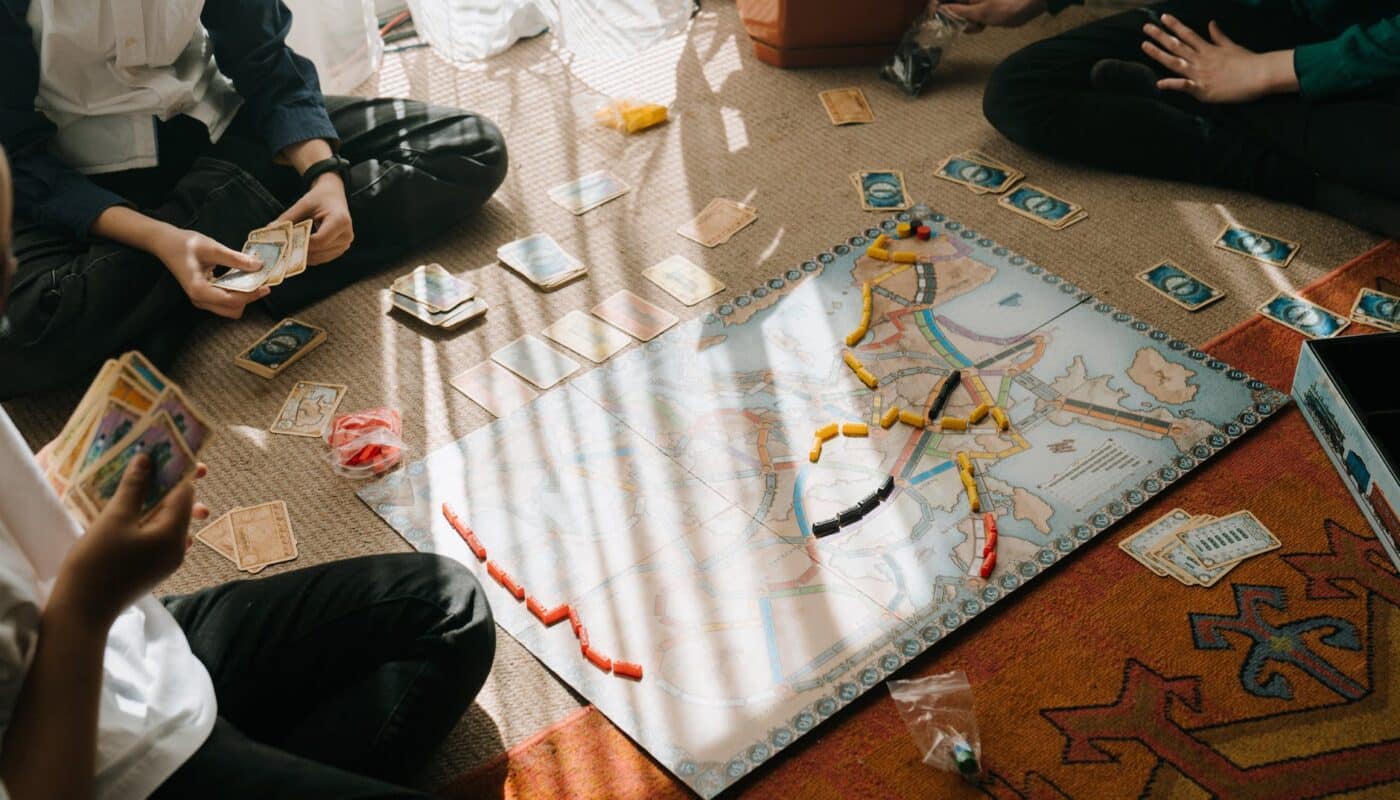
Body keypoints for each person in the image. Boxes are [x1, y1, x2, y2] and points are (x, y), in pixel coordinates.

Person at [0, 146, 496, 797]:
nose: (12, 267)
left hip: (131, 647)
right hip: (94, 758)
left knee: (448, 608)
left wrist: (40, 496)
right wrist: (88, 603)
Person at [0, 0, 509, 400]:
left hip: (223, 132)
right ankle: (226, 246)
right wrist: (160, 238)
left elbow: (266, 63)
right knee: (17, 342)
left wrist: (325, 175)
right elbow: (16, 156)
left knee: (469, 146)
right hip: (78, 182)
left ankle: (187, 286)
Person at [943, 0, 1400, 237]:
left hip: (1378, 60)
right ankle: (1300, 171)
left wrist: (1269, 72)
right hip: (1258, 15)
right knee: (1021, 91)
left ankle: (1233, 120)